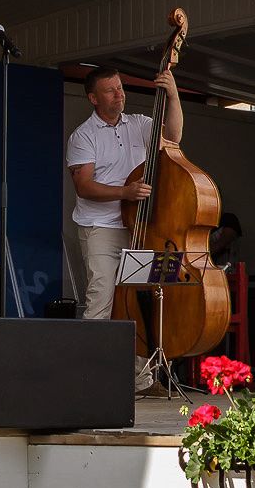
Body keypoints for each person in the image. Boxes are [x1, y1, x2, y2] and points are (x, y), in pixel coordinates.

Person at [66, 66, 182, 321]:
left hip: (140, 225)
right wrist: (125, 192)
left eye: (120, 87)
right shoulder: (83, 135)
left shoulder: (139, 123)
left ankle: (141, 362)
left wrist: (173, 95)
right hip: (101, 227)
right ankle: (94, 361)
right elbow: (83, 187)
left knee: (143, 302)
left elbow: (173, 137)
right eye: (110, 90)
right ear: (93, 98)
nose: (119, 94)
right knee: (100, 299)